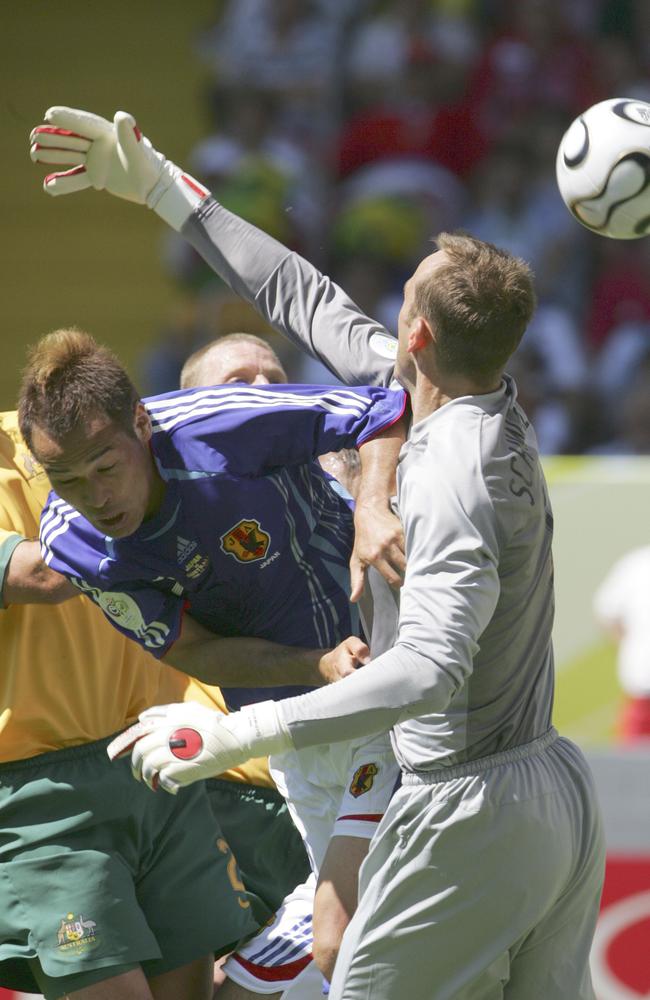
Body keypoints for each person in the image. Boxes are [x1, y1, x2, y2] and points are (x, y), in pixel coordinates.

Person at [32, 108, 607, 999]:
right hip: (516, 779)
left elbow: (426, 673)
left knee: (350, 972)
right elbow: (300, 294)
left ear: (414, 336)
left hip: (464, 784)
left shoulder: (454, 470)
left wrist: (238, 731)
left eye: (405, 296)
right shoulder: (445, 400)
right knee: (341, 952)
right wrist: (158, 186)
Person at [17, 315, 405, 997]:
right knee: (337, 951)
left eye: (105, 468)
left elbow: (382, 408)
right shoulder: (73, 542)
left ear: (141, 424)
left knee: (347, 937)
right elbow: (198, 652)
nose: (94, 498)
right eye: (66, 479)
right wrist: (314, 665)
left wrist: (372, 508)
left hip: (395, 698)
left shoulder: (220, 423)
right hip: (295, 734)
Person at [0, 409, 261, 1000]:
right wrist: (156, 509)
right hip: (45, 803)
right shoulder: (91, 451)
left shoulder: (53, 431)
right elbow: (43, 575)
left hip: (155, 763)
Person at [594, 545, 650, 743]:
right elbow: (607, 613)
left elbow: (607, 614)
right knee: (634, 765)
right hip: (642, 687)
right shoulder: (636, 565)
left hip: (641, 682)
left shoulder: (636, 564)